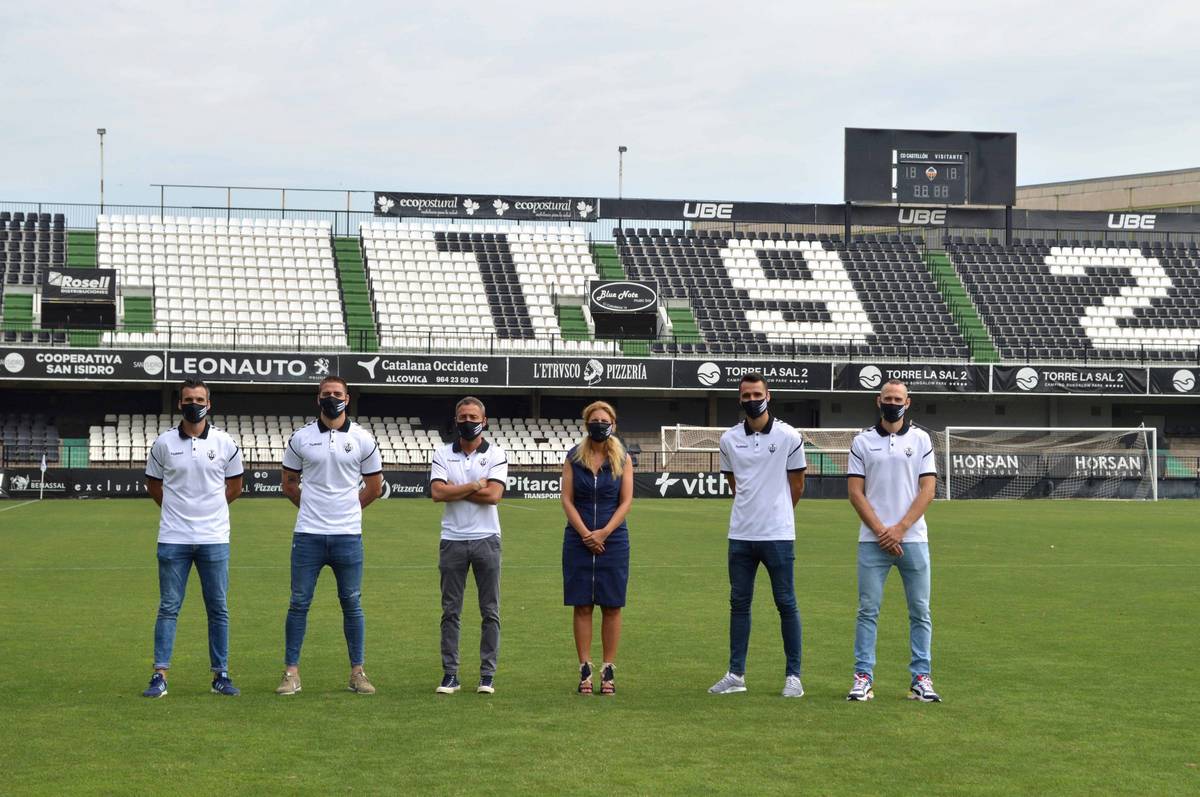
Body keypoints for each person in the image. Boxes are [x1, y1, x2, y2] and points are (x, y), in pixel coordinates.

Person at [276, 375, 383, 696]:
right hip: (308, 535)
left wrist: (349, 510)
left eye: (337, 394)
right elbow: (289, 483)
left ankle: (358, 672)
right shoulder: (301, 438)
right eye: (326, 394)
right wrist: (310, 507)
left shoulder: (363, 439)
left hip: (347, 536)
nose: (331, 398)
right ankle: (291, 673)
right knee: (299, 603)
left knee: (352, 603)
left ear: (347, 399)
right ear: (317, 398)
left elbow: (374, 487)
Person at [142, 378, 244, 698]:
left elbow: (235, 486)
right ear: (179, 404)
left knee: (218, 608)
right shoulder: (163, 443)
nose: (194, 404)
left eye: (200, 399)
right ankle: (160, 675)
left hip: (214, 537)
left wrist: (209, 511)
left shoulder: (226, 443)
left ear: (209, 404)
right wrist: (178, 510)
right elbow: (154, 485)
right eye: (188, 399)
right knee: (169, 607)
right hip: (174, 537)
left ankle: (220, 674)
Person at [708, 373, 807, 698]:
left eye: (757, 394)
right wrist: (753, 510)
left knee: (786, 603)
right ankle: (736, 674)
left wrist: (775, 512)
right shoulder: (728, 439)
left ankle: (794, 677)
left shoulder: (789, 436)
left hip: (778, 534)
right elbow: (734, 483)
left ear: (768, 396)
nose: (752, 399)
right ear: (740, 399)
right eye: (746, 395)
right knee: (739, 603)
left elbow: (797, 485)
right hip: (740, 534)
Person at [846, 379, 941, 702]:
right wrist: (881, 531)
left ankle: (921, 678)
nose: (892, 403)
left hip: (913, 539)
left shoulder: (921, 439)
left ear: (908, 402)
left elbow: (927, 490)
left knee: (920, 611)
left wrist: (899, 529)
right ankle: (863, 677)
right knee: (868, 610)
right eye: (887, 398)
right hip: (872, 541)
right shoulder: (862, 441)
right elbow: (855, 492)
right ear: (878, 401)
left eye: (898, 398)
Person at [429, 397, 508, 695]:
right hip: (452, 540)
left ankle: (487, 676)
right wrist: (475, 485)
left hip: (487, 538)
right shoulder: (441, 453)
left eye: (473, 416)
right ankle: (451, 674)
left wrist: (455, 490)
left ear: (484, 421)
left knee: (490, 611)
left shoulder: (497, 454)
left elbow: (494, 497)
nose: (467, 421)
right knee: (451, 611)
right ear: (456, 419)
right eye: (462, 416)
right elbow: (437, 493)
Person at [560, 400, 633, 695]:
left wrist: (603, 532)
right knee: (582, 605)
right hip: (578, 539)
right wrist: (586, 533)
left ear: (613, 425)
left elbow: (626, 501)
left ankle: (609, 671)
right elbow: (566, 499)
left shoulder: (623, 458)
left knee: (612, 605)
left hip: (613, 539)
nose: (600, 424)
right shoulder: (573, 458)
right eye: (595, 420)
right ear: (586, 424)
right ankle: (585, 671)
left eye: (605, 420)